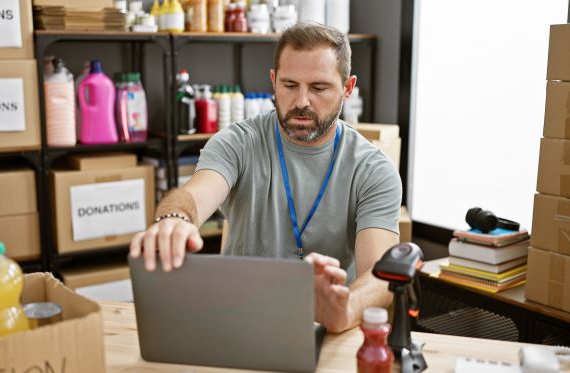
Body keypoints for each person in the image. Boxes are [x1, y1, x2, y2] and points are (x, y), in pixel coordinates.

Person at [129, 22, 402, 333]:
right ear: (274, 81)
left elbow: (381, 273)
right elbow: (195, 194)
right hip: (238, 321)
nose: (301, 101)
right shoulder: (238, 142)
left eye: (318, 88)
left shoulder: (373, 170)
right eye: (289, 85)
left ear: (348, 88)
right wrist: (175, 218)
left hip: (327, 329)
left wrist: (344, 309)